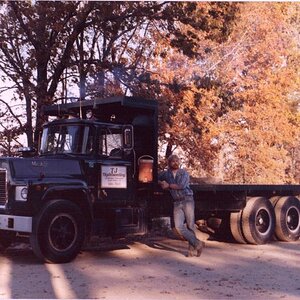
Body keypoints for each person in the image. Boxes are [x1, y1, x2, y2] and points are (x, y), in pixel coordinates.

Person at [158, 154, 204, 257]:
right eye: (173, 161)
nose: (175, 163)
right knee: (178, 227)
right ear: (169, 163)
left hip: (187, 200)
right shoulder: (166, 174)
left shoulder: (184, 173)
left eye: (177, 161)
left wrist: (168, 185)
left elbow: (181, 186)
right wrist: (161, 183)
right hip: (176, 202)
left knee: (190, 225)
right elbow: (154, 178)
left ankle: (191, 251)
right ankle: (198, 243)